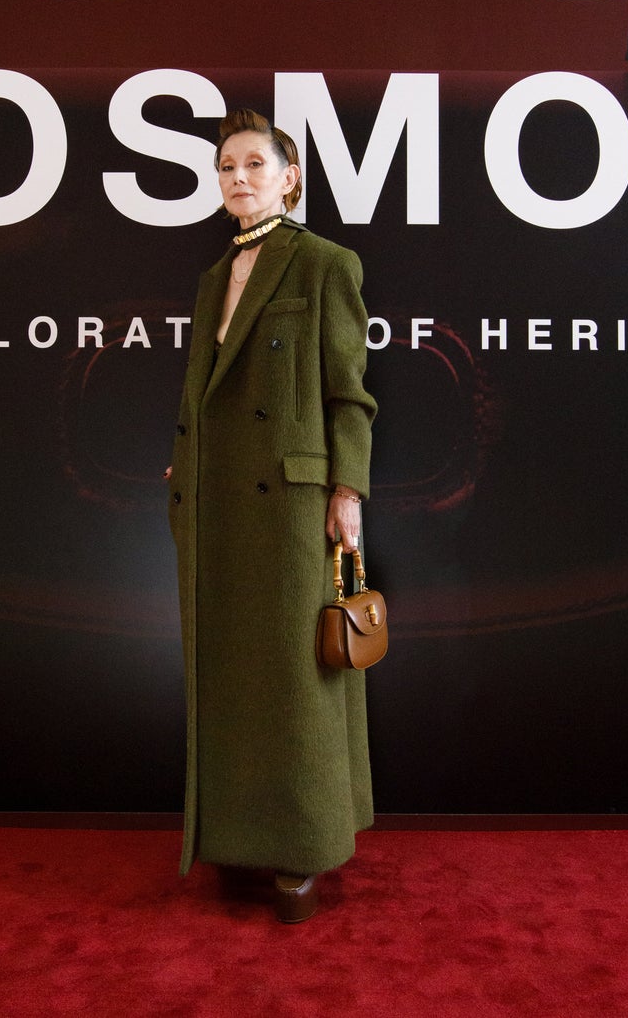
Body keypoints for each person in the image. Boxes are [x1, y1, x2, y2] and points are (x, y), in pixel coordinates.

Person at [166, 107, 377, 923]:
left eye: (255, 163)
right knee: (229, 671)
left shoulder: (325, 263)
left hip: (292, 505)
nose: (239, 177)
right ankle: (238, 836)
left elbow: (350, 394)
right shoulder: (213, 276)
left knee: (296, 679)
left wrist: (347, 491)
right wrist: (185, 460)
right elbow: (205, 392)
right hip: (216, 500)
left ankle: (303, 849)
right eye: (227, 167)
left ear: (290, 178)